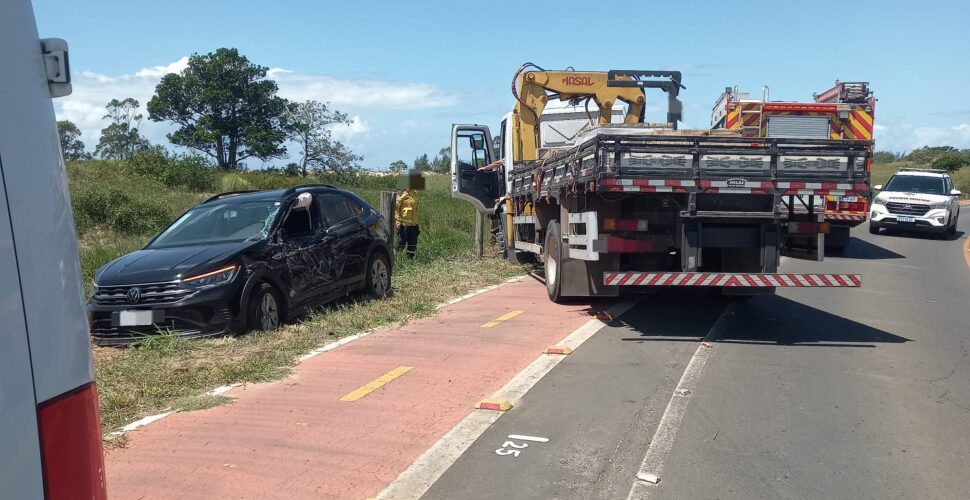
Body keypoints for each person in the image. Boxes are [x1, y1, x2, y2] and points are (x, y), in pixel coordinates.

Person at [395, 186, 420, 258]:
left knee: (413, 243)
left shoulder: (415, 193)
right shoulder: (400, 192)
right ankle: (396, 259)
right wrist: (398, 221)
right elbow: (396, 209)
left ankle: (410, 259)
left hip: (414, 224)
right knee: (401, 242)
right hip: (403, 225)